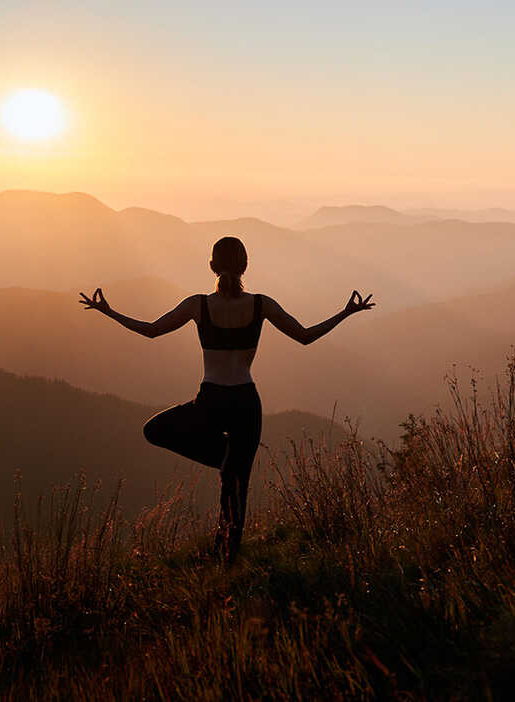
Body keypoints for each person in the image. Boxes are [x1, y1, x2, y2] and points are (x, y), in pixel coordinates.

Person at [79, 236, 374, 562]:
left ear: (211, 267)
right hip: (246, 403)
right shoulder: (262, 304)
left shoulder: (198, 305)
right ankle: (227, 551)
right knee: (238, 485)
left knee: (157, 430)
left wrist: (108, 312)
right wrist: (345, 313)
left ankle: (224, 482)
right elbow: (305, 336)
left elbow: (151, 330)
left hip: (210, 403)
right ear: (245, 266)